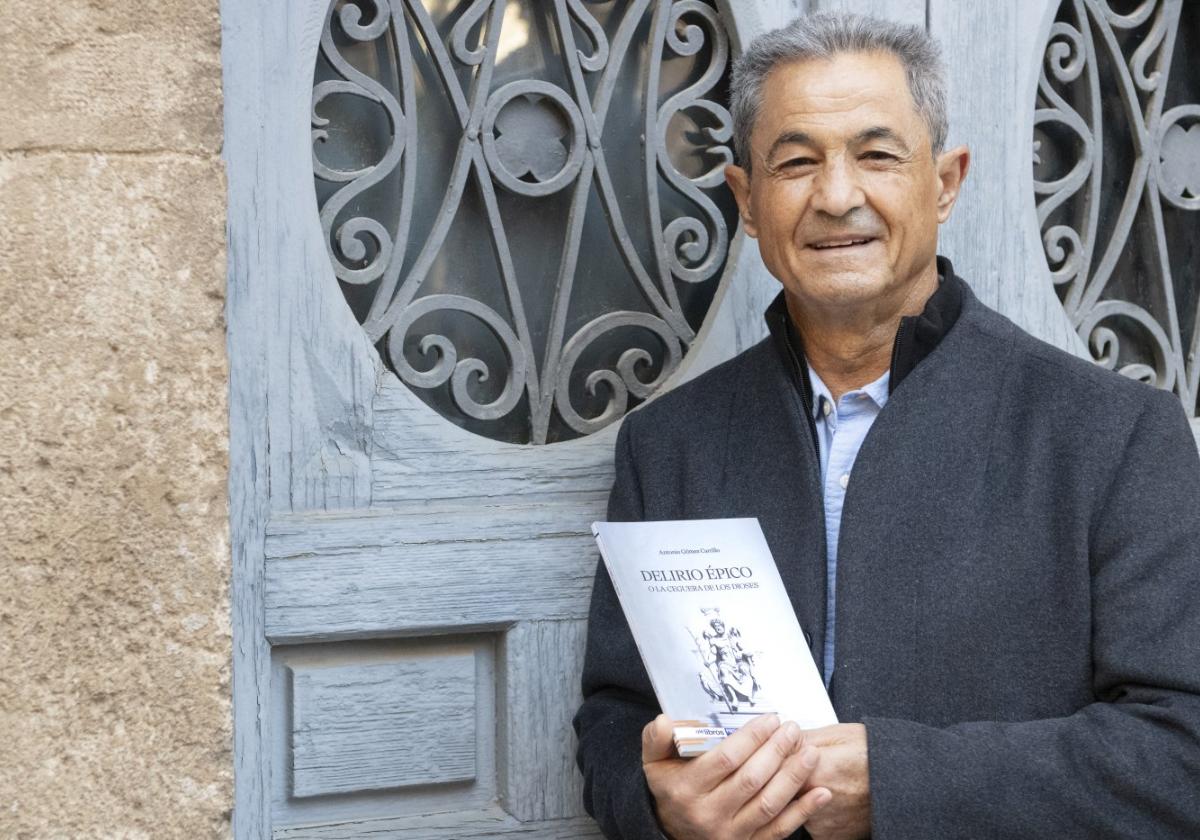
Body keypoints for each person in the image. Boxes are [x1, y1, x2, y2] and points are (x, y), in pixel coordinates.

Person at [573, 12, 1200, 840]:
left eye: (877, 155)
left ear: (944, 182)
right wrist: (657, 802)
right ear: (747, 199)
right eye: (796, 162)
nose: (836, 196)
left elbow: (1180, 756)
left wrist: (900, 784)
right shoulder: (670, 445)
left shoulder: (1114, 437)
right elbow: (614, 717)